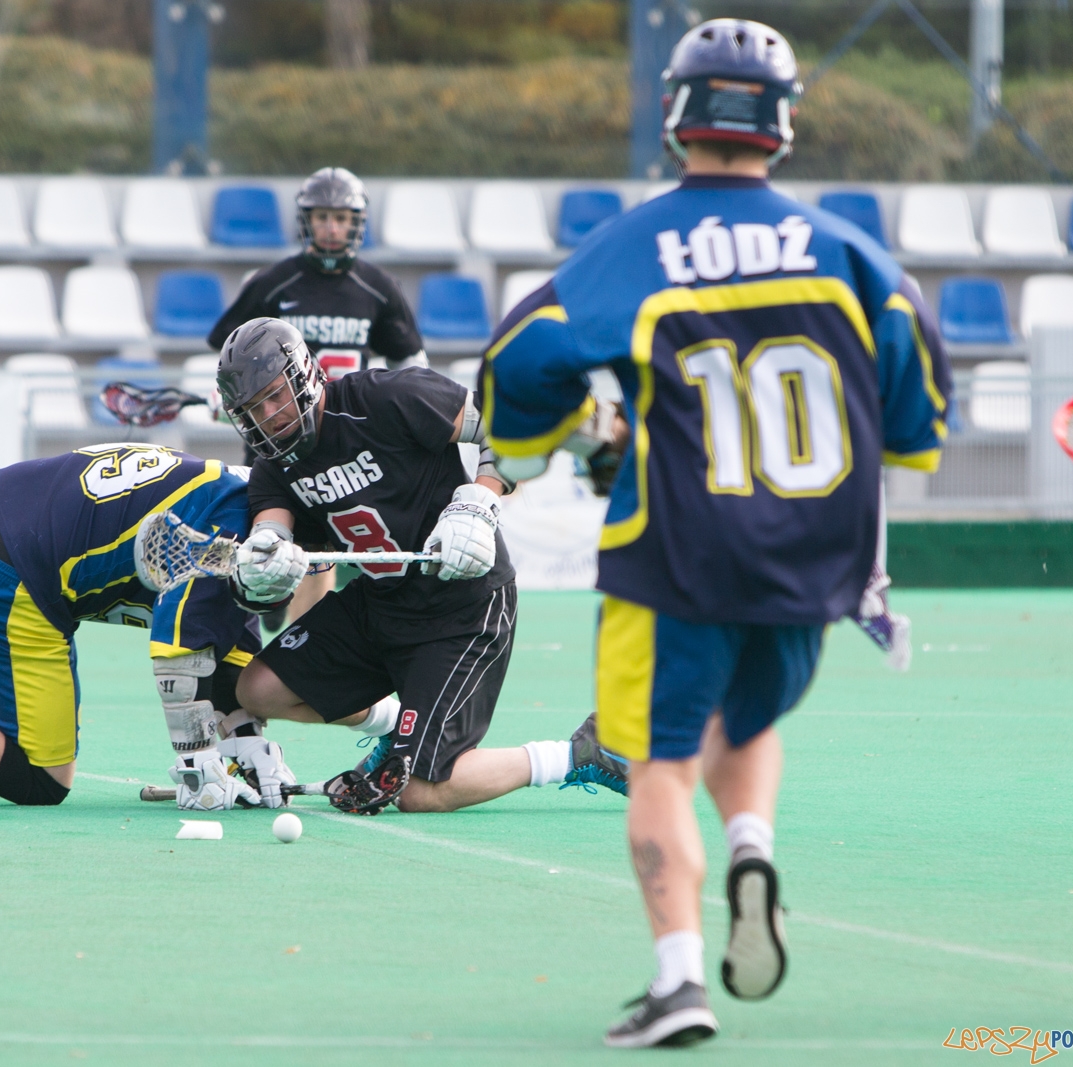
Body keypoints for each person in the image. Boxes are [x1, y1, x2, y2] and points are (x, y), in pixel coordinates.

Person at [481, 19, 952, 1047]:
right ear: (780, 125)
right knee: (746, 724)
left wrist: (525, 449)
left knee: (656, 762)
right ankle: (749, 847)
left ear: (675, 118)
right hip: (810, 568)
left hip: (676, 560)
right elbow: (916, 411)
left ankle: (678, 976)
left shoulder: (632, 247)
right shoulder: (853, 255)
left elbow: (520, 359)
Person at [212, 317, 633, 815]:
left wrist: (479, 499)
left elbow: (505, 429)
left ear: (303, 374)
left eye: (272, 397)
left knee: (420, 794)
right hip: (380, 604)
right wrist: (263, 563)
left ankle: (583, 752)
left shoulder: (388, 397)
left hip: (461, 608)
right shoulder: (274, 467)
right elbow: (272, 531)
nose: (267, 418)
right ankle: (398, 731)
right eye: (250, 410)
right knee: (257, 689)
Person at [0, 445, 301, 813]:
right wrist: (201, 763)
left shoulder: (242, 501)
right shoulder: (232, 537)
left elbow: (229, 649)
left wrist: (247, 743)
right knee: (43, 779)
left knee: (31, 711)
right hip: (10, 563)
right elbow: (179, 651)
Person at [207, 167, 430, 624]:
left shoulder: (378, 287)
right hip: (270, 440)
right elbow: (227, 352)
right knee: (259, 549)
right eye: (324, 216)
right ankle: (258, 628)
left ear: (357, 223)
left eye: (342, 218)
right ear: (306, 220)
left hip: (337, 438)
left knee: (319, 551)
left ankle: (296, 654)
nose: (333, 227)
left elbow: (413, 367)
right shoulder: (274, 283)